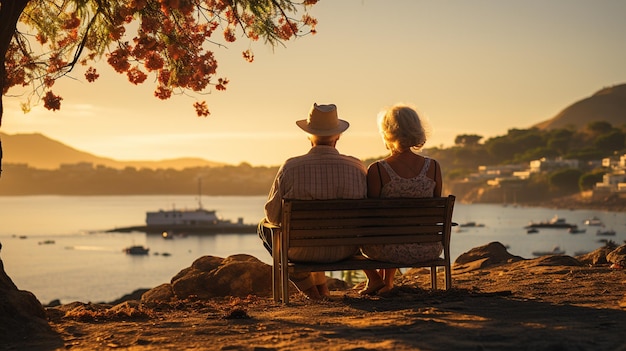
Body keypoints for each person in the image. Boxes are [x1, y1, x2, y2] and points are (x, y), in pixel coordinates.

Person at [258, 103, 367, 300]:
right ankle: (322, 290)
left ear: (309, 136)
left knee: (264, 228)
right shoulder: (357, 167)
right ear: (338, 136)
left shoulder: (291, 167)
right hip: (345, 249)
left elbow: (272, 215)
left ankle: (312, 293)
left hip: (301, 253)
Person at [359, 104, 443, 295]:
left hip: (388, 251)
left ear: (387, 132)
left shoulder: (378, 170)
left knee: (375, 230)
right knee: (397, 227)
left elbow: (372, 217)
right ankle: (387, 283)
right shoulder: (434, 167)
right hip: (429, 249)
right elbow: (432, 211)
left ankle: (378, 281)